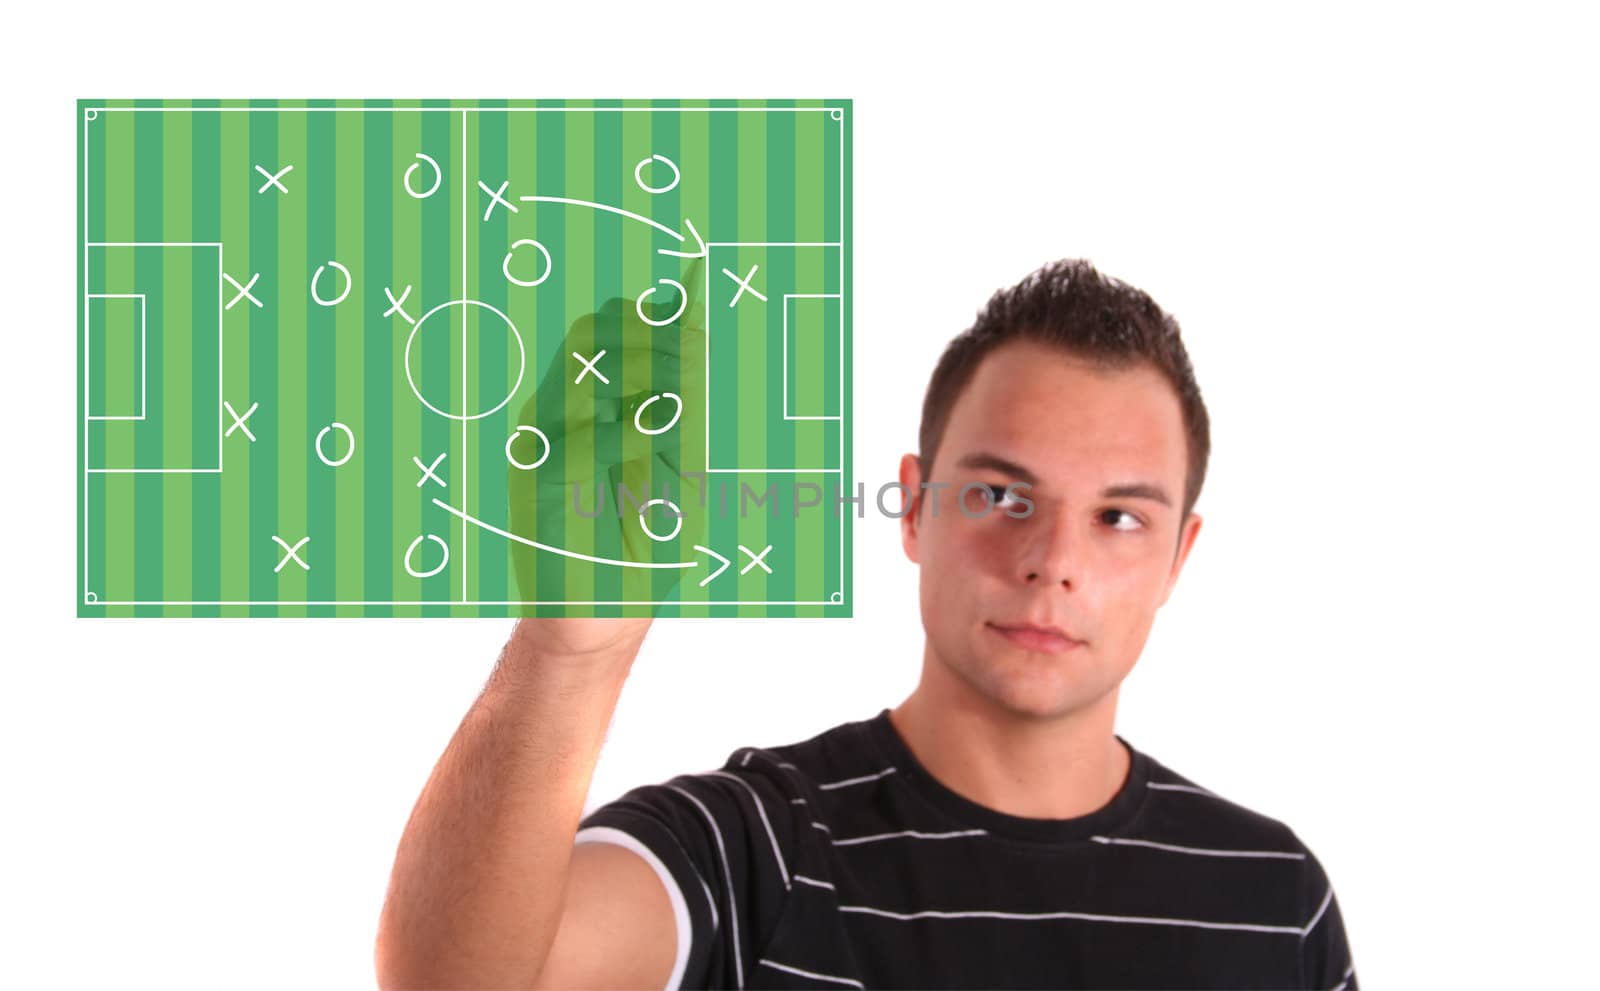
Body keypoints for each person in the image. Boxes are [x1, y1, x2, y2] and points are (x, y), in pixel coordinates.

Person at [375, 259, 1358, 990]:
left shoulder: (1274, 897)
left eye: (1116, 517)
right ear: (917, 508)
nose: (1053, 559)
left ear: (1177, 557)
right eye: (1003, 496)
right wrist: (567, 646)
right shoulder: (755, 845)